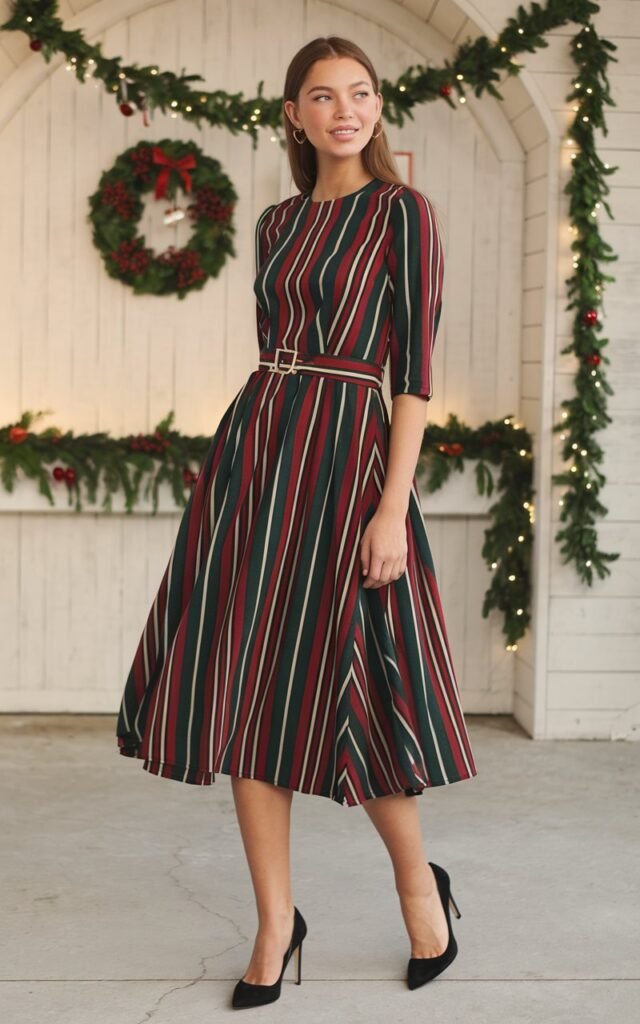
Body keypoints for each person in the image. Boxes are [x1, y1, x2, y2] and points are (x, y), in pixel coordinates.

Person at [115, 34, 478, 1009]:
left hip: (354, 463)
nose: (344, 111)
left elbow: (416, 376)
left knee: (364, 698)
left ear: (375, 107)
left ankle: (419, 889)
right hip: (262, 458)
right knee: (246, 694)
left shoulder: (403, 213)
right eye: (323, 96)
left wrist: (392, 506)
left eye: (359, 93)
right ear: (294, 114)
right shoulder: (276, 222)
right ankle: (276, 922)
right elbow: (277, 352)